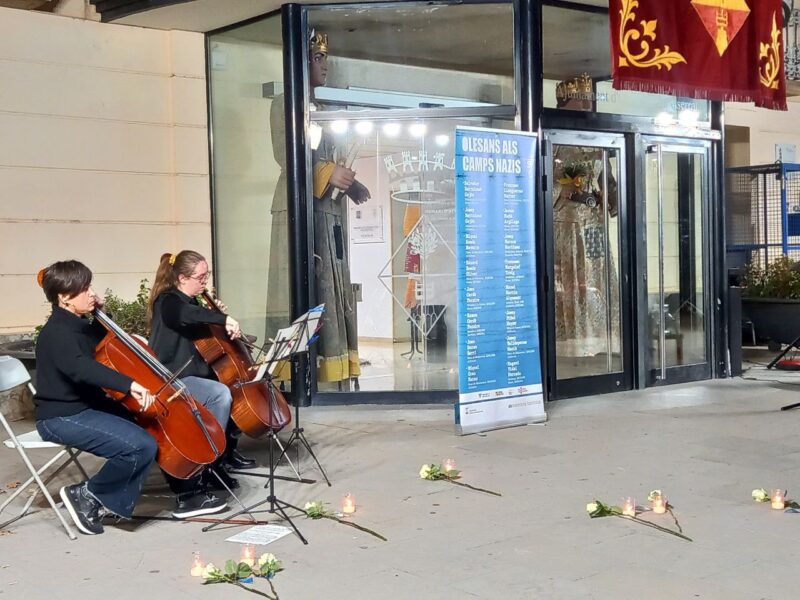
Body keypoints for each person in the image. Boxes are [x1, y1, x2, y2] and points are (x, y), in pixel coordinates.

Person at [269, 30, 369, 388]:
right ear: (300, 62)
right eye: (317, 57)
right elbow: (287, 156)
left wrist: (350, 182)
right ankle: (296, 374)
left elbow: (330, 157)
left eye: (325, 57)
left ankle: (336, 373)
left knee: (334, 286)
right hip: (299, 206)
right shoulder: (284, 103)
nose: (324, 64)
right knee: (305, 285)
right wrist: (329, 173)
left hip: (329, 211)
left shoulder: (326, 109)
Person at [34, 260, 158, 535]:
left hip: (86, 408)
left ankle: (108, 498)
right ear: (64, 297)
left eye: (90, 286)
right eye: (84, 289)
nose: (91, 293)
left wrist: (101, 311)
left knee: (150, 428)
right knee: (140, 446)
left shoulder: (79, 325)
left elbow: (107, 338)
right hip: (62, 416)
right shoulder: (56, 332)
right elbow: (81, 368)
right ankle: (87, 495)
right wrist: (129, 385)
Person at [147, 250, 256, 518]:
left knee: (231, 391)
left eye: (206, 275)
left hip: (195, 374)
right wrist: (220, 318)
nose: (204, 282)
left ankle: (223, 456)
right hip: (173, 378)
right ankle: (207, 455)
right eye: (201, 277)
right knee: (219, 395)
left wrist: (214, 316)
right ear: (182, 278)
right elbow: (184, 315)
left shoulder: (191, 301)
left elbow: (197, 325)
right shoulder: (168, 301)